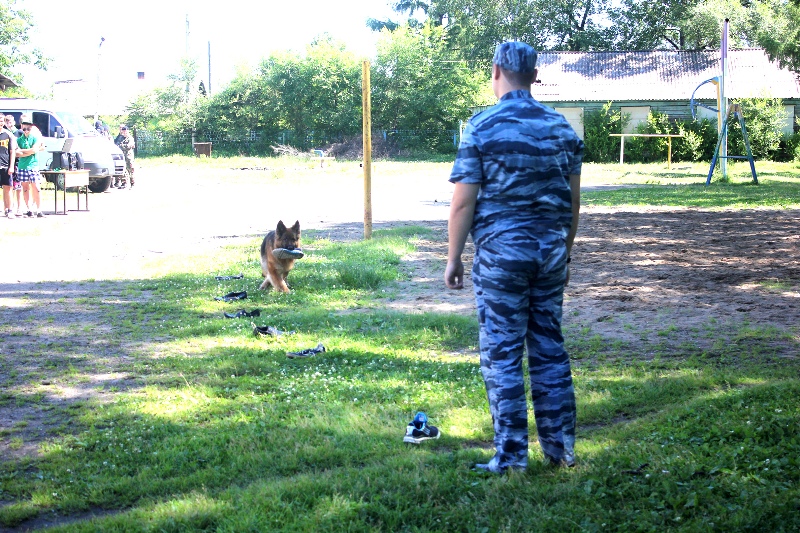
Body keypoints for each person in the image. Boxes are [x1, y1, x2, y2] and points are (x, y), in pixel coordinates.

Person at [444, 41, 584, 474]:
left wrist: (453, 257)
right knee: (549, 349)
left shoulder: (482, 126)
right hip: (550, 254)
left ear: (496, 72)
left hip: (502, 257)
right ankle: (560, 451)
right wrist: (564, 254)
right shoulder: (561, 128)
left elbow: (463, 203)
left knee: (502, 354)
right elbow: (572, 205)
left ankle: (510, 458)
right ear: (534, 76)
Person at [15, 113, 45, 218]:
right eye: (24, 129)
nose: (26, 131)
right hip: (22, 166)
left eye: (28, 129)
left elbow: (35, 149)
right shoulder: (19, 139)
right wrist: (30, 151)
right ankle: (29, 209)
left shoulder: (35, 138)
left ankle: (39, 209)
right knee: (25, 188)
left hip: (33, 165)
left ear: (31, 128)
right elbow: (16, 153)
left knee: (36, 187)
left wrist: (24, 151)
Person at [1, 115, 18, 218]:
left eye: (1, 121)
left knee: (8, 188)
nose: (0, 123)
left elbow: (12, 152)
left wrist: (11, 166)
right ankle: (4, 209)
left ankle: (10, 210)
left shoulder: (8, 134)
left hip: (5, 165)